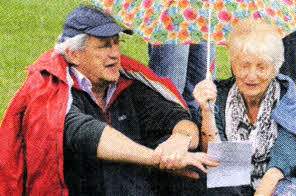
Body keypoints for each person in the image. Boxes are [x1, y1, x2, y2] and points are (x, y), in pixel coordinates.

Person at [0, 6, 219, 195]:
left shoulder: (126, 84)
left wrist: (178, 141)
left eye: (116, 43)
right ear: (74, 54)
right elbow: (88, 134)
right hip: (80, 188)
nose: (115, 53)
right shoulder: (52, 93)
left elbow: (175, 117)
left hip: (133, 187)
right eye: (104, 45)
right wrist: (157, 158)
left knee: (204, 173)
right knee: (114, 168)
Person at [194, 18, 296, 195]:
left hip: (279, 181)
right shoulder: (220, 96)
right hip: (230, 178)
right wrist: (207, 112)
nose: (251, 75)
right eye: (244, 65)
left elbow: (284, 158)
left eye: (261, 67)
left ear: (274, 69)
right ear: (233, 65)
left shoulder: (289, 98)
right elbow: (220, 167)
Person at [148, 40, 216, 127]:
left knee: (200, 95)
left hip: (204, 28)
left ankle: (195, 134)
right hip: (172, 29)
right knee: (170, 93)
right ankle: (165, 135)